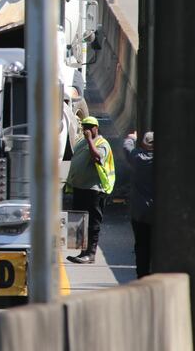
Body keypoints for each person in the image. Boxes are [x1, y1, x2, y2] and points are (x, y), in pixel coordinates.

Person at [66, 116, 116, 264]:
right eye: (84, 126)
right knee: (81, 220)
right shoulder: (82, 142)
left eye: (89, 126)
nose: (86, 129)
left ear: (96, 128)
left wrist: (89, 140)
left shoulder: (102, 143)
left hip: (94, 189)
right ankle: (83, 252)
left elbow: (97, 158)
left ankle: (91, 254)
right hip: (81, 187)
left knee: (93, 222)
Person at [124, 131, 154, 278]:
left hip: (140, 212)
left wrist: (131, 138)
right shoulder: (163, 160)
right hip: (158, 212)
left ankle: (142, 275)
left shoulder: (137, 158)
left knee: (141, 245)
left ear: (143, 144)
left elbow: (127, 147)